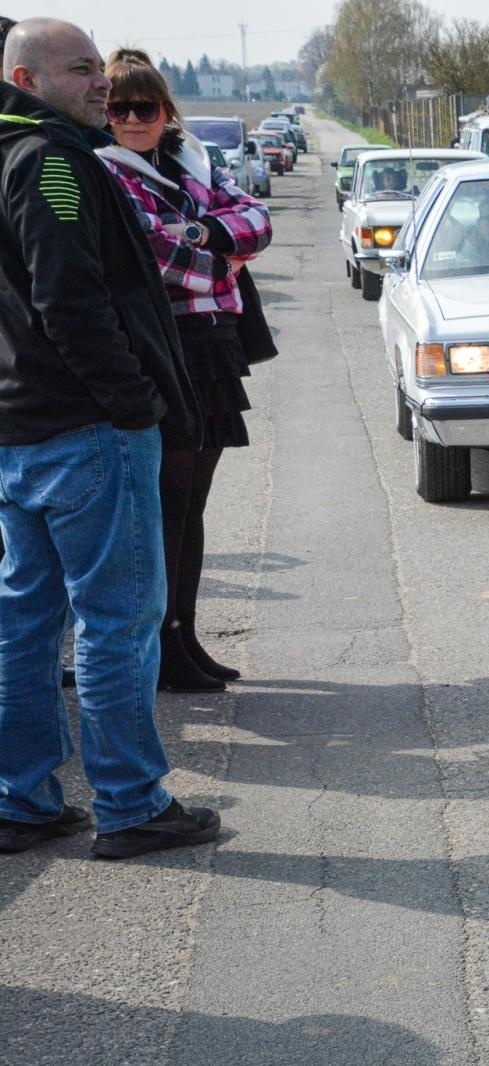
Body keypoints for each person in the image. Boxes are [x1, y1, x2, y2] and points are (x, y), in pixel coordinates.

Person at [0, 18, 219, 857]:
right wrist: (133, 403)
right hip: (82, 431)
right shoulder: (52, 162)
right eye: (81, 69)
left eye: (101, 66)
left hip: (21, 432)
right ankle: (131, 803)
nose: (102, 82)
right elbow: (70, 302)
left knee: (25, 624)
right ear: (26, 76)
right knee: (118, 621)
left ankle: (21, 801)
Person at [98, 48, 272, 692]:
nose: (132, 118)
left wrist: (200, 234)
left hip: (213, 341)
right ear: (105, 114)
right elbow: (147, 248)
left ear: (166, 111)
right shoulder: (105, 171)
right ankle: (164, 645)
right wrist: (218, 249)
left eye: (145, 107)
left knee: (193, 504)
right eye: (119, 108)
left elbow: (257, 219)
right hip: (161, 342)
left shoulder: (191, 159)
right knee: (165, 502)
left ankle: (186, 636)